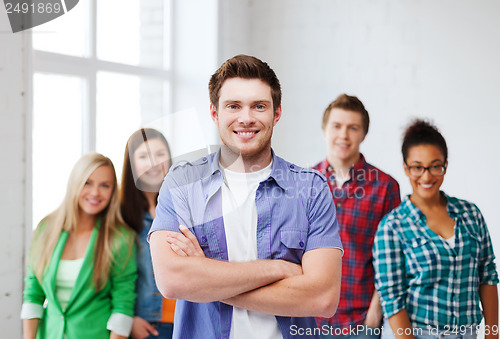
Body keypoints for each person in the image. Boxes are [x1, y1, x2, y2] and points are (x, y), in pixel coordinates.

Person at [148, 54, 343, 339]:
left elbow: (323, 298)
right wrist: (277, 269)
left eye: (259, 106)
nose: (246, 118)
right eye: (233, 106)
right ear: (215, 113)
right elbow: (172, 281)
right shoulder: (182, 184)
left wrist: (207, 278)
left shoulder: (311, 190)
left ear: (276, 114)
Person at [373, 120, 499, 339]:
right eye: (417, 167)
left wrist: (492, 334)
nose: (427, 176)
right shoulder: (392, 227)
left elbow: (487, 276)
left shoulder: (471, 214)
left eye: (435, 166)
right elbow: (392, 300)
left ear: (445, 165)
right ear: (405, 167)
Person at [21, 152, 138, 339]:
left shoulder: (121, 238)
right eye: (87, 182)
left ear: (113, 191)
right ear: (75, 183)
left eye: (105, 185)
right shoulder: (46, 229)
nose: (95, 193)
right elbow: (33, 294)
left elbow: (122, 306)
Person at [313, 94, 401, 339]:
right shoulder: (305, 183)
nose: (344, 135)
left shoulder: (385, 187)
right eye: (337, 126)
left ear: (363, 134)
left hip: (362, 322)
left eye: (353, 128)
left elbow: (391, 257)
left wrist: (375, 313)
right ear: (324, 130)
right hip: (312, 317)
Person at [120, 128, 175, 339]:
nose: (153, 163)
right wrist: (129, 319)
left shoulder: (184, 206)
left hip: (184, 318)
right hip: (145, 324)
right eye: (143, 156)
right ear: (131, 164)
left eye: (160, 154)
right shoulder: (119, 214)